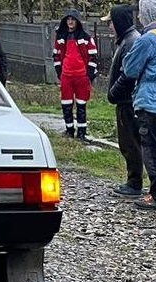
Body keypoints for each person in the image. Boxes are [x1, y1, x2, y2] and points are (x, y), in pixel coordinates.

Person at [112, 0, 156, 210]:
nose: (138, 17)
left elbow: (130, 68)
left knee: (152, 150)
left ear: (146, 14)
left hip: (150, 100)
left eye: (140, 12)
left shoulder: (147, 39)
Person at [103, 3, 141, 196]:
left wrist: (114, 93)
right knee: (128, 142)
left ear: (119, 22)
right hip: (126, 102)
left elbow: (128, 75)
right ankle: (133, 181)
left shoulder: (131, 42)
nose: (109, 26)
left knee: (130, 143)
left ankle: (134, 183)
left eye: (110, 22)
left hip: (128, 102)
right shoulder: (126, 40)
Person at [52, 10, 97, 140]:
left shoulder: (86, 37)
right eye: (68, 19)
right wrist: (60, 73)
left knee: (81, 105)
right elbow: (56, 56)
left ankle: (82, 133)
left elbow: (93, 56)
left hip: (81, 76)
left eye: (73, 19)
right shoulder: (61, 37)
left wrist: (89, 75)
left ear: (77, 21)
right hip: (66, 76)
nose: (70, 22)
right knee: (66, 104)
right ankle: (69, 130)